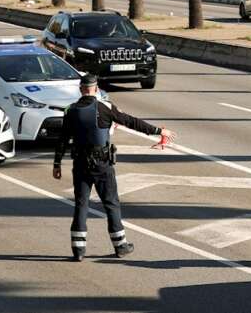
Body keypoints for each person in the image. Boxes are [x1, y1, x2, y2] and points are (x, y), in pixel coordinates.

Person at [53, 73, 176, 261]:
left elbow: (62, 139)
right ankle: (120, 246)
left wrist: (57, 163)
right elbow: (131, 122)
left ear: (81, 89)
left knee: (81, 204)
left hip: (80, 164)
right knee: (111, 203)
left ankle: (78, 250)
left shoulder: (70, 110)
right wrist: (159, 131)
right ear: (96, 88)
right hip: (102, 164)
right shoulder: (105, 107)